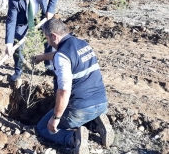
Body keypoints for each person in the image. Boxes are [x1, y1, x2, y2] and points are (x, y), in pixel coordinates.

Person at [34, 19, 114, 153]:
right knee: (85, 112)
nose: (47, 42)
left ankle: (74, 138)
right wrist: (42, 57)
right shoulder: (82, 44)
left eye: (47, 38)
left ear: (54, 36)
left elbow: (64, 91)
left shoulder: (62, 56)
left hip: (80, 109)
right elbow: (61, 55)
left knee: (42, 127)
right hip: (101, 103)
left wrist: (55, 118)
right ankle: (98, 124)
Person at [5, 0, 59, 81]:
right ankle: (18, 71)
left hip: (41, 17)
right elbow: (11, 21)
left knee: (49, 39)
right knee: (17, 42)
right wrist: (9, 43)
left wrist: (50, 10)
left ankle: (49, 67)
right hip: (22, 21)